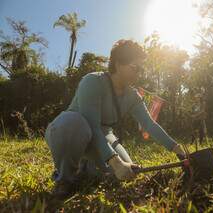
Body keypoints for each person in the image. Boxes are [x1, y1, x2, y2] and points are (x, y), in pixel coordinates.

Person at [44, 39, 186, 198]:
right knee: (74, 125)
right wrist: (116, 163)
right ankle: (64, 179)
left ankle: (84, 168)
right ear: (118, 63)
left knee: (124, 173)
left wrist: (177, 149)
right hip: (75, 129)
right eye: (135, 68)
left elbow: (149, 124)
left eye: (141, 69)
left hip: (103, 136)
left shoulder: (133, 96)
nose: (139, 73)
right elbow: (92, 125)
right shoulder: (93, 81)